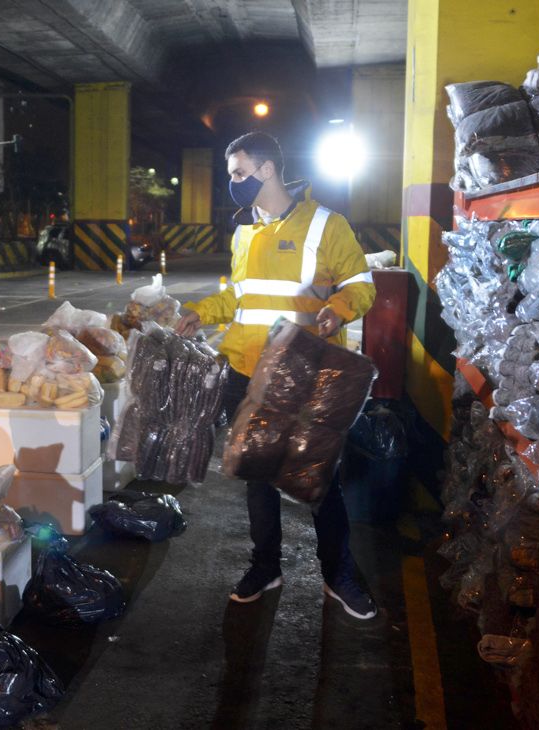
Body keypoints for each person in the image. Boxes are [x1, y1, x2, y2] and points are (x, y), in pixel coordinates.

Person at [176, 131, 378, 619]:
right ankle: (266, 565)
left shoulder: (326, 224)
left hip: (306, 373)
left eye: (239, 173)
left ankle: (338, 573)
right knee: (257, 477)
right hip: (247, 371)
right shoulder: (245, 232)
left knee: (319, 480)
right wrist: (202, 312)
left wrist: (339, 309)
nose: (234, 184)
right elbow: (241, 298)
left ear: (267, 170)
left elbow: (360, 283)